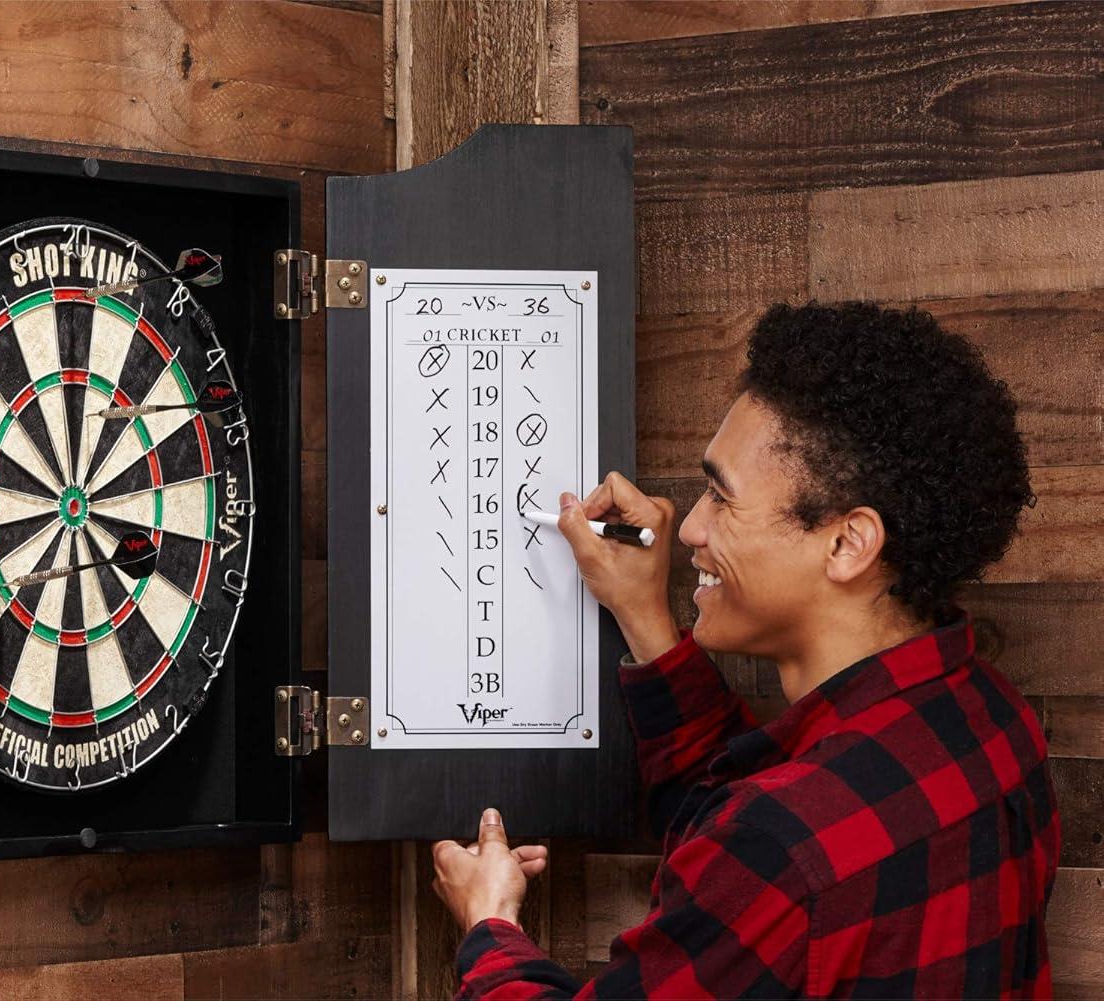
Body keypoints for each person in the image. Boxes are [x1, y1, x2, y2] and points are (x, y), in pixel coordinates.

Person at [431, 301, 1059, 998]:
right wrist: (645, 614)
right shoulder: (993, 717)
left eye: (721, 498)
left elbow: (771, 851)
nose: (691, 527)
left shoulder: (781, 852)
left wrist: (488, 920)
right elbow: (753, 821)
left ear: (848, 542)